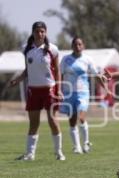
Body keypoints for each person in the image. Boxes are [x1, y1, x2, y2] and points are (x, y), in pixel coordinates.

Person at [10, 21, 65, 161]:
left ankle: (59, 153)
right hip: (33, 91)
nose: (39, 34)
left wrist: (59, 89)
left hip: (49, 90)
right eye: (37, 31)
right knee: (33, 123)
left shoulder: (53, 49)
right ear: (33, 33)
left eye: (42, 31)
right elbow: (27, 70)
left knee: (53, 120)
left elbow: (58, 71)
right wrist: (18, 80)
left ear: (45, 32)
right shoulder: (26, 49)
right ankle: (30, 154)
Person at [60, 36, 98, 154]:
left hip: (83, 93)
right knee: (72, 120)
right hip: (68, 93)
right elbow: (60, 75)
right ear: (72, 46)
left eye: (80, 44)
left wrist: (106, 87)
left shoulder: (88, 59)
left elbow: (96, 75)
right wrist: (59, 89)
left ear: (83, 46)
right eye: (75, 44)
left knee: (81, 118)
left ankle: (86, 143)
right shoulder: (65, 59)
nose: (78, 46)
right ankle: (77, 147)